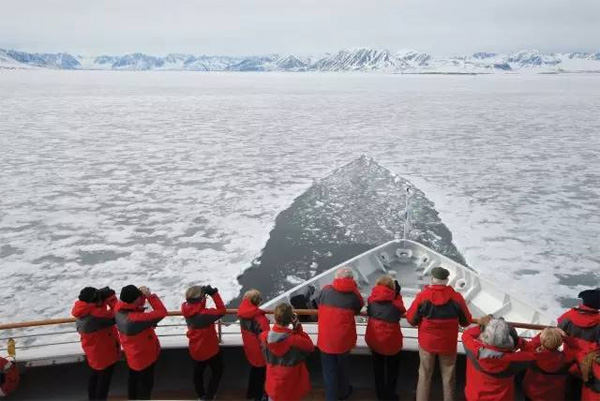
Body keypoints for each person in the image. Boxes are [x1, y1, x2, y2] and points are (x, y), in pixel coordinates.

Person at [406, 266, 472, 401]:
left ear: (432, 279)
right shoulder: (456, 298)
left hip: (427, 343)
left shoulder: (423, 296)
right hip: (448, 344)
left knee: (424, 375)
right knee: (448, 377)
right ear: (446, 280)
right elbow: (466, 321)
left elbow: (411, 319)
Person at [317, 267, 364, 401]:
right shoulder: (353, 295)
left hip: (326, 339)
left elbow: (318, 301)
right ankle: (344, 393)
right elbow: (359, 306)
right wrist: (354, 288)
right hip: (343, 340)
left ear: (336, 278)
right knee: (343, 368)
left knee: (329, 372)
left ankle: (331, 397)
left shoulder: (326, 290)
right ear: (351, 280)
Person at [462, 316, 536, 401]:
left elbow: (466, 334)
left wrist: (482, 326)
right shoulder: (514, 360)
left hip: (474, 397)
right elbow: (533, 354)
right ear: (507, 339)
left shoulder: (472, 348)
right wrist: (517, 341)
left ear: (485, 335)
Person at [115, 285, 167, 400]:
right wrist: (150, 296)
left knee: (133, 381)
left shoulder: (118, 309)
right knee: (145, 386)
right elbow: (162, 312)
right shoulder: (135, 320)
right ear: (135, 300)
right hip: (145, 357)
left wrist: (141, 296)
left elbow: (135, 306)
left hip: (133, 354)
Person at [71, 286, 120, 400]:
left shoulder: (83, 311)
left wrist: (100, 300)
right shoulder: (96, 318)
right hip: (104, 354)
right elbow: (118, 315)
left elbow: (98, 310)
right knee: (103, 383)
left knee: (95, 378)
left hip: (94, 351)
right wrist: (112, 299)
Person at [260, 303, 315, 401]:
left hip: (273, 386)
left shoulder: (264, 337)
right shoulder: (296, 341)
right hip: (291, 387)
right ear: (290, 319)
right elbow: (310, 347)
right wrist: (298, 328)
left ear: (275, 318)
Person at [182, 284, 226, 400]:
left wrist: (202, 298)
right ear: (201, 300)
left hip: (195, 350)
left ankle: (201, 395)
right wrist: (214, 294)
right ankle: (210, 396)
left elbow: (196, 308)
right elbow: (222, 310)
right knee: (217, 370)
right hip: (210, 350)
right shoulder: (205, 315)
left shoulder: (185, 308)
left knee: (198, 374)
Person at [365, 275, 406, 400]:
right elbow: (402, 309)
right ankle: (390, 395)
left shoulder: (371, 300)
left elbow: (371, 308)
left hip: (375, 340)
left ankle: (380, 395)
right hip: (391, 343)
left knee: (378, 370)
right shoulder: (396, 303)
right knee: (392, 370)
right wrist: (397, 294)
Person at [558, 288, 600, 399]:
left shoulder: (569, 316)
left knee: (568, 388)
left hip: (568, 360)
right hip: (589, 364)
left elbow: (559, 329)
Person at [521, 328, 572, 401]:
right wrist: (566, 338)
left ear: (542, 340)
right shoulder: (565, 359)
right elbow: (574, 350)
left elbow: (531, 344)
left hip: (532, 393)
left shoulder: (533, 354)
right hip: (553, 396)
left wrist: (544, 334)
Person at [238, 289, 270, 401]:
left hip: (250, 349)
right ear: (257, 301)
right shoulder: (259, 318)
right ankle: (259, 396)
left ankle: (250, 394)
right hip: (260, 352)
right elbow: (266, 338)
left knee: (255, 371)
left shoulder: (242, 314)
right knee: (261, 375)